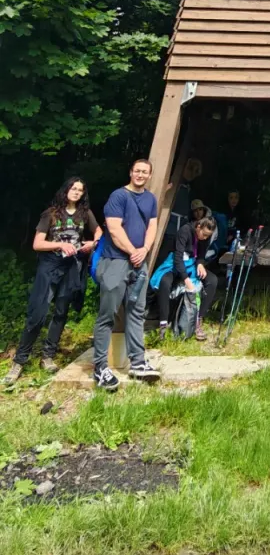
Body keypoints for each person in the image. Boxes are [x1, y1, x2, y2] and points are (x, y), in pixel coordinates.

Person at [6, 178, 101, 383]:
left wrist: (92, 243)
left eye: (80, 190)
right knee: (37, 312)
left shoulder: (85, 214)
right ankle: (20, 361)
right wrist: (58, 245)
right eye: (73, 188)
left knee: (61, 311)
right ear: (65, 190)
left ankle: (47, 356)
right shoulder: (51, 214)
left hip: (72, 266)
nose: (76, 192)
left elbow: (99, 232)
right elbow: (37, 244)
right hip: (50, 265)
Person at [92, 158, 161, 392]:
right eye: (137, 171)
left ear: (150, 176)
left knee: (137, 312)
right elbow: (113, 227)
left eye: (145, 172)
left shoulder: (150, 199)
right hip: (116, 261)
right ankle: (100, 367)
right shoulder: (118, 196)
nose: (141, 175)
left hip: (138, 263)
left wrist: (145, 250)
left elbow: (153, 226)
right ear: (131, 172)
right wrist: (133, 251)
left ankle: (138, 362)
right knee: (107, 314)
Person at [150, 214, 219, 341]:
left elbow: (201, 255)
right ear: (198, 226)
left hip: (192, 264)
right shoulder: (185, 231)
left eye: (208, 236)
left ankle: (198, 321)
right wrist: (186, 280)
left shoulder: (205, 237)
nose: (205, 238)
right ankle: (163, 325)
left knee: (212, 280)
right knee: (165, 282)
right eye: (203, 234)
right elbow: (177, 258)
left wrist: (200, 264)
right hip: (176, 264)